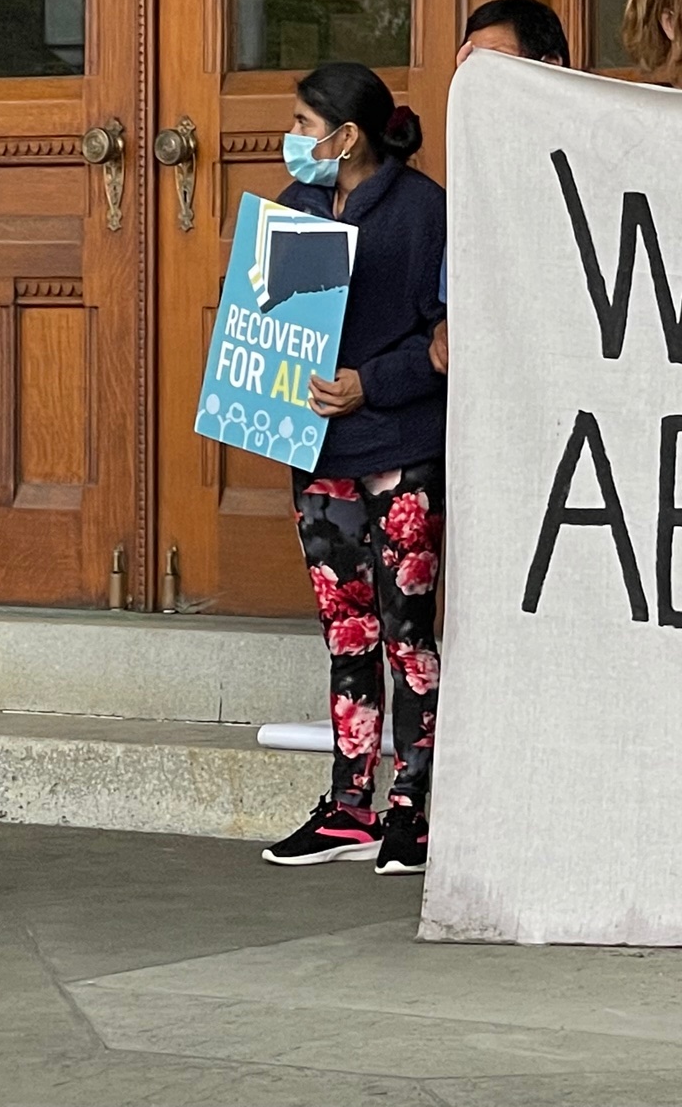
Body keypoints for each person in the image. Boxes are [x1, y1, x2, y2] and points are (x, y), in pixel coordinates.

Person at [262, 61, 449, 876]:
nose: (292, 137)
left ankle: (414, 806)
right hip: (318, 454)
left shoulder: (423, 209)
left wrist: (371, 383)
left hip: (400, 449)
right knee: (347, 630)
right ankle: (348, 806)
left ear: (346, 136)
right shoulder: (295, 208)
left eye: (304, 124)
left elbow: (448, 335)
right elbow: (269, 326)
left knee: (408, 633)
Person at [432, 0, 571, 375]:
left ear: (550, 66)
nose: (482, 82)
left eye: (496, 64)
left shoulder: (602, 156)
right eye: (473, 69)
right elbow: (457, 299)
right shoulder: (478, 168)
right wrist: (444, 330)